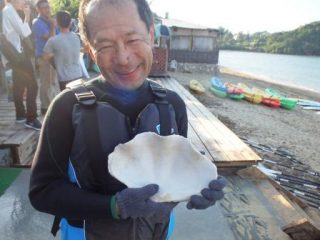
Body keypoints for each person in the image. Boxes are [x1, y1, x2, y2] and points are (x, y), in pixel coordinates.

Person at [29, 0, 226, 239]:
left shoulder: (172, 105)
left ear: (151, 34)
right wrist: (115, 206)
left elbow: (174, 171)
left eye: (132, 39)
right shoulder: (67, 107)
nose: (122, 58)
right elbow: (42, 191)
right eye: (105, 45)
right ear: (90, 49)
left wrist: (197, 187)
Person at [2, 0, 41, 130]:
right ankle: (31, 118)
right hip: (18, 56)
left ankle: (20, 115)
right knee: (33, 85)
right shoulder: (9, 11)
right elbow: (25, 32)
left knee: (18, 85)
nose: (24, 1)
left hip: (12, 56)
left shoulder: (6, 11)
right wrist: (27, 15)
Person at [42, 10, 82, 91]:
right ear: (70, 22)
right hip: (78, 74)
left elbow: (45, 57)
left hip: (64, 78)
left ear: (57, 23)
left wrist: (56, 53)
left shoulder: (53, 40)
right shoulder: (77, 37)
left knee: (68, 101)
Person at [32, 0, 57, 115]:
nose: (47, 9)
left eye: (47, 7)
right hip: (44, 57)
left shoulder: (51, 20)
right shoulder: (37, 22)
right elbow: (51, 38)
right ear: (38, 9)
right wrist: (53, 26)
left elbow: (58, 37)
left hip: (54, 56)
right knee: (46, 83)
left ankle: (52, 105)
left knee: (53, 83)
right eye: (43, 8)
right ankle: (45, 108)